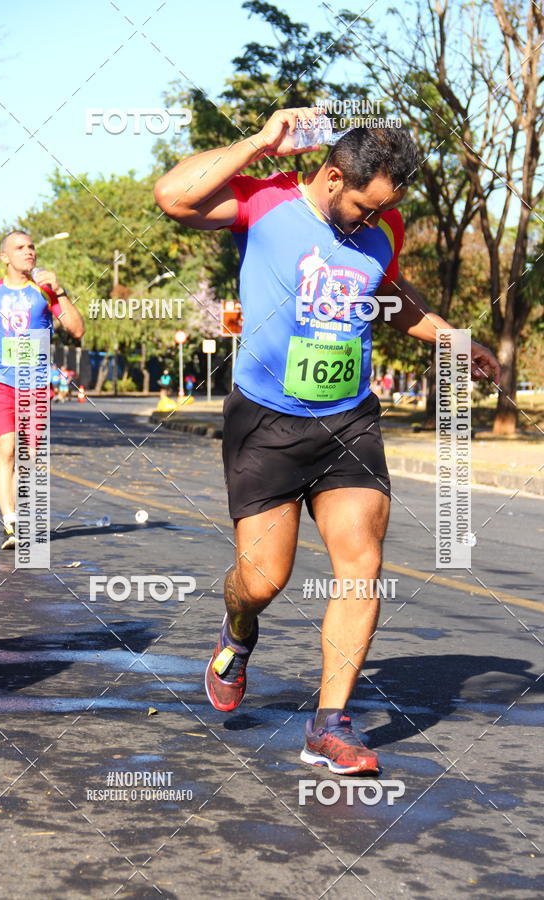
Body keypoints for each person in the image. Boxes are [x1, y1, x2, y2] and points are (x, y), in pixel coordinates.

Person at [154, 108, 499, 775]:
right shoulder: (266, 201)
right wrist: (258, 142)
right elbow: (174, 196)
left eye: (384, 211)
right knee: (261, 580)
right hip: (266, 422)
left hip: (348, 419)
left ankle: (329, 724)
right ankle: (238, 630)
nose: (372, 221)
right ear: (333, 176)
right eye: (364, 207)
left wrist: (456, 341)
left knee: (361, 563)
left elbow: (387, 296)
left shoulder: (381, 225)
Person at [0, 231, 84, 549]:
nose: (29, 252)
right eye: (20, 248)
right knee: (7, 449)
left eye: (32, 247)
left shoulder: (45, 291)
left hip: (36, 383)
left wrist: (60, 291)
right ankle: (12, 522)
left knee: (30, 456)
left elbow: (76, 329)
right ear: (4, 257)